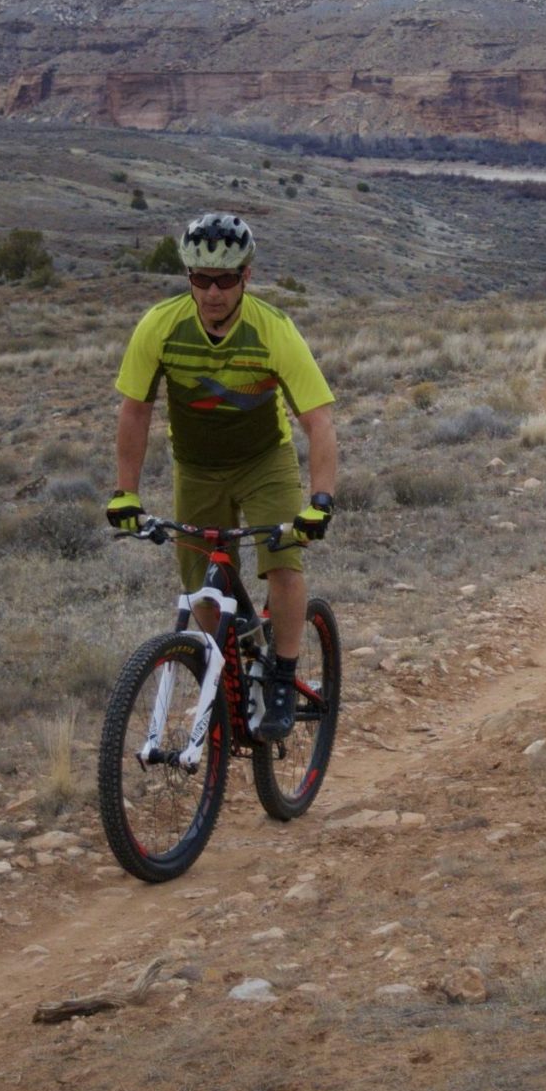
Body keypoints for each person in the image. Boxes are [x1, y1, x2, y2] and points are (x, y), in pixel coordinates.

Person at [106, 212, 337, 742]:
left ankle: (280, 673)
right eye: (199, 278)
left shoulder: (273, 329)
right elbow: (134, 409)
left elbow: (318, 420)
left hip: (264, 461)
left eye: (225, 280)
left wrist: (319, 500)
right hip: (197, 468)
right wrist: (126, 494)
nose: (212, 292)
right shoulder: (160, 326)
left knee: (282, 558)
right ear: (187, 275)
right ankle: (230, 666)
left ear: (246, 277)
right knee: (202, 590)